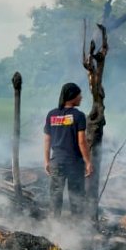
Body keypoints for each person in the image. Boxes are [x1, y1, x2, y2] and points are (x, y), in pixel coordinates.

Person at [43, 83, 93, 217]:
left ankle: (54, 228)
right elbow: (82, 141)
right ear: (72, 96)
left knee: (55, 197)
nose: (81, 97)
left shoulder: (51, 115)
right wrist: (88, 162)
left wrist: (47, 161)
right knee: (76, 198)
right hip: (74, 164)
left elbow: (47, 140)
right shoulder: (79, 116)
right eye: (79, 95)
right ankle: (77, 229)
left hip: (56, 162)